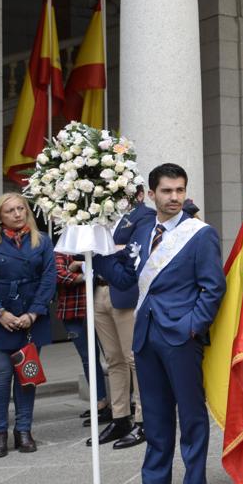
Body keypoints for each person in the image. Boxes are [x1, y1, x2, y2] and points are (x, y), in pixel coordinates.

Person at [95, 163, 225, 484]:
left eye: (180, 190)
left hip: (180, 335)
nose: (174, 197)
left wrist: (192, 326)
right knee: (154, 414)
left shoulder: (200, 234)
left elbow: (214, 287)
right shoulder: (141, 232)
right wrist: (98, 251)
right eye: (167, 191)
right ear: (151, 194)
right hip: (145, 332)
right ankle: (155, 483)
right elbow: (125, 278)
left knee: (191, 414)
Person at [0, 193, 56, 457]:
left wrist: (33, 313)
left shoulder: (41, 241)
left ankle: (24, 430)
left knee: (26, 376)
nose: (17, 214)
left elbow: (48, 279)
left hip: (30, 318)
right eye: (10, 211)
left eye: (21, 208)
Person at [93, 186, 151, 449]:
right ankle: (120, 417)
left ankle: (143, 419)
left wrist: (107, 250)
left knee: (133, 358)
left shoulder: (143, 216)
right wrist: (113, 249)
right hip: (100, 290)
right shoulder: (102, 216)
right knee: (113, 359)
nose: (114, 198)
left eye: (120, 193)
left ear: (138, 195)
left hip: (125, 292)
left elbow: (134, 253)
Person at [55, 251, 109, 424]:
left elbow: (103, 273)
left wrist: (80, 270)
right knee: (88, 359)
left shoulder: (95, 245)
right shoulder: (61, 248)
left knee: (113, 356)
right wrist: (85, 272)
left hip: (100, 308)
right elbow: (60, 276)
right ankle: (100, 402)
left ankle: (122, 403)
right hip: (73, 312)